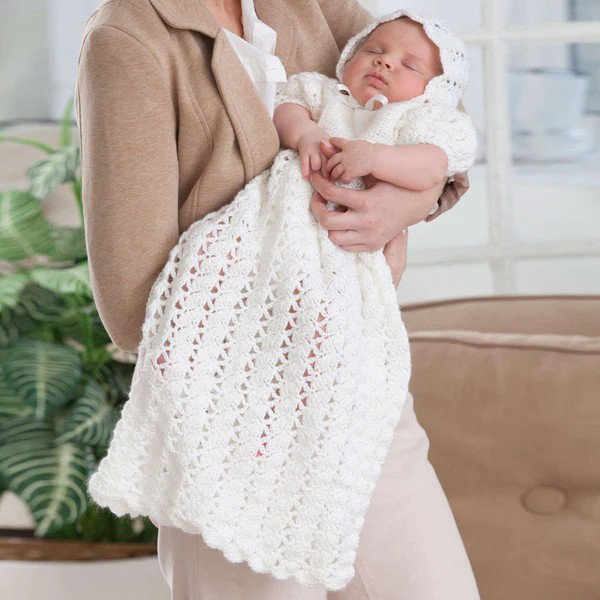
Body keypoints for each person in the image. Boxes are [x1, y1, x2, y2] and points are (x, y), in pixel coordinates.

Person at [75, 1, 480, 598]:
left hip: (359, 388)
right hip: (236, 415)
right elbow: (128, 295)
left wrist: (402, 206)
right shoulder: (128, 39)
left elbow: (438, 95)